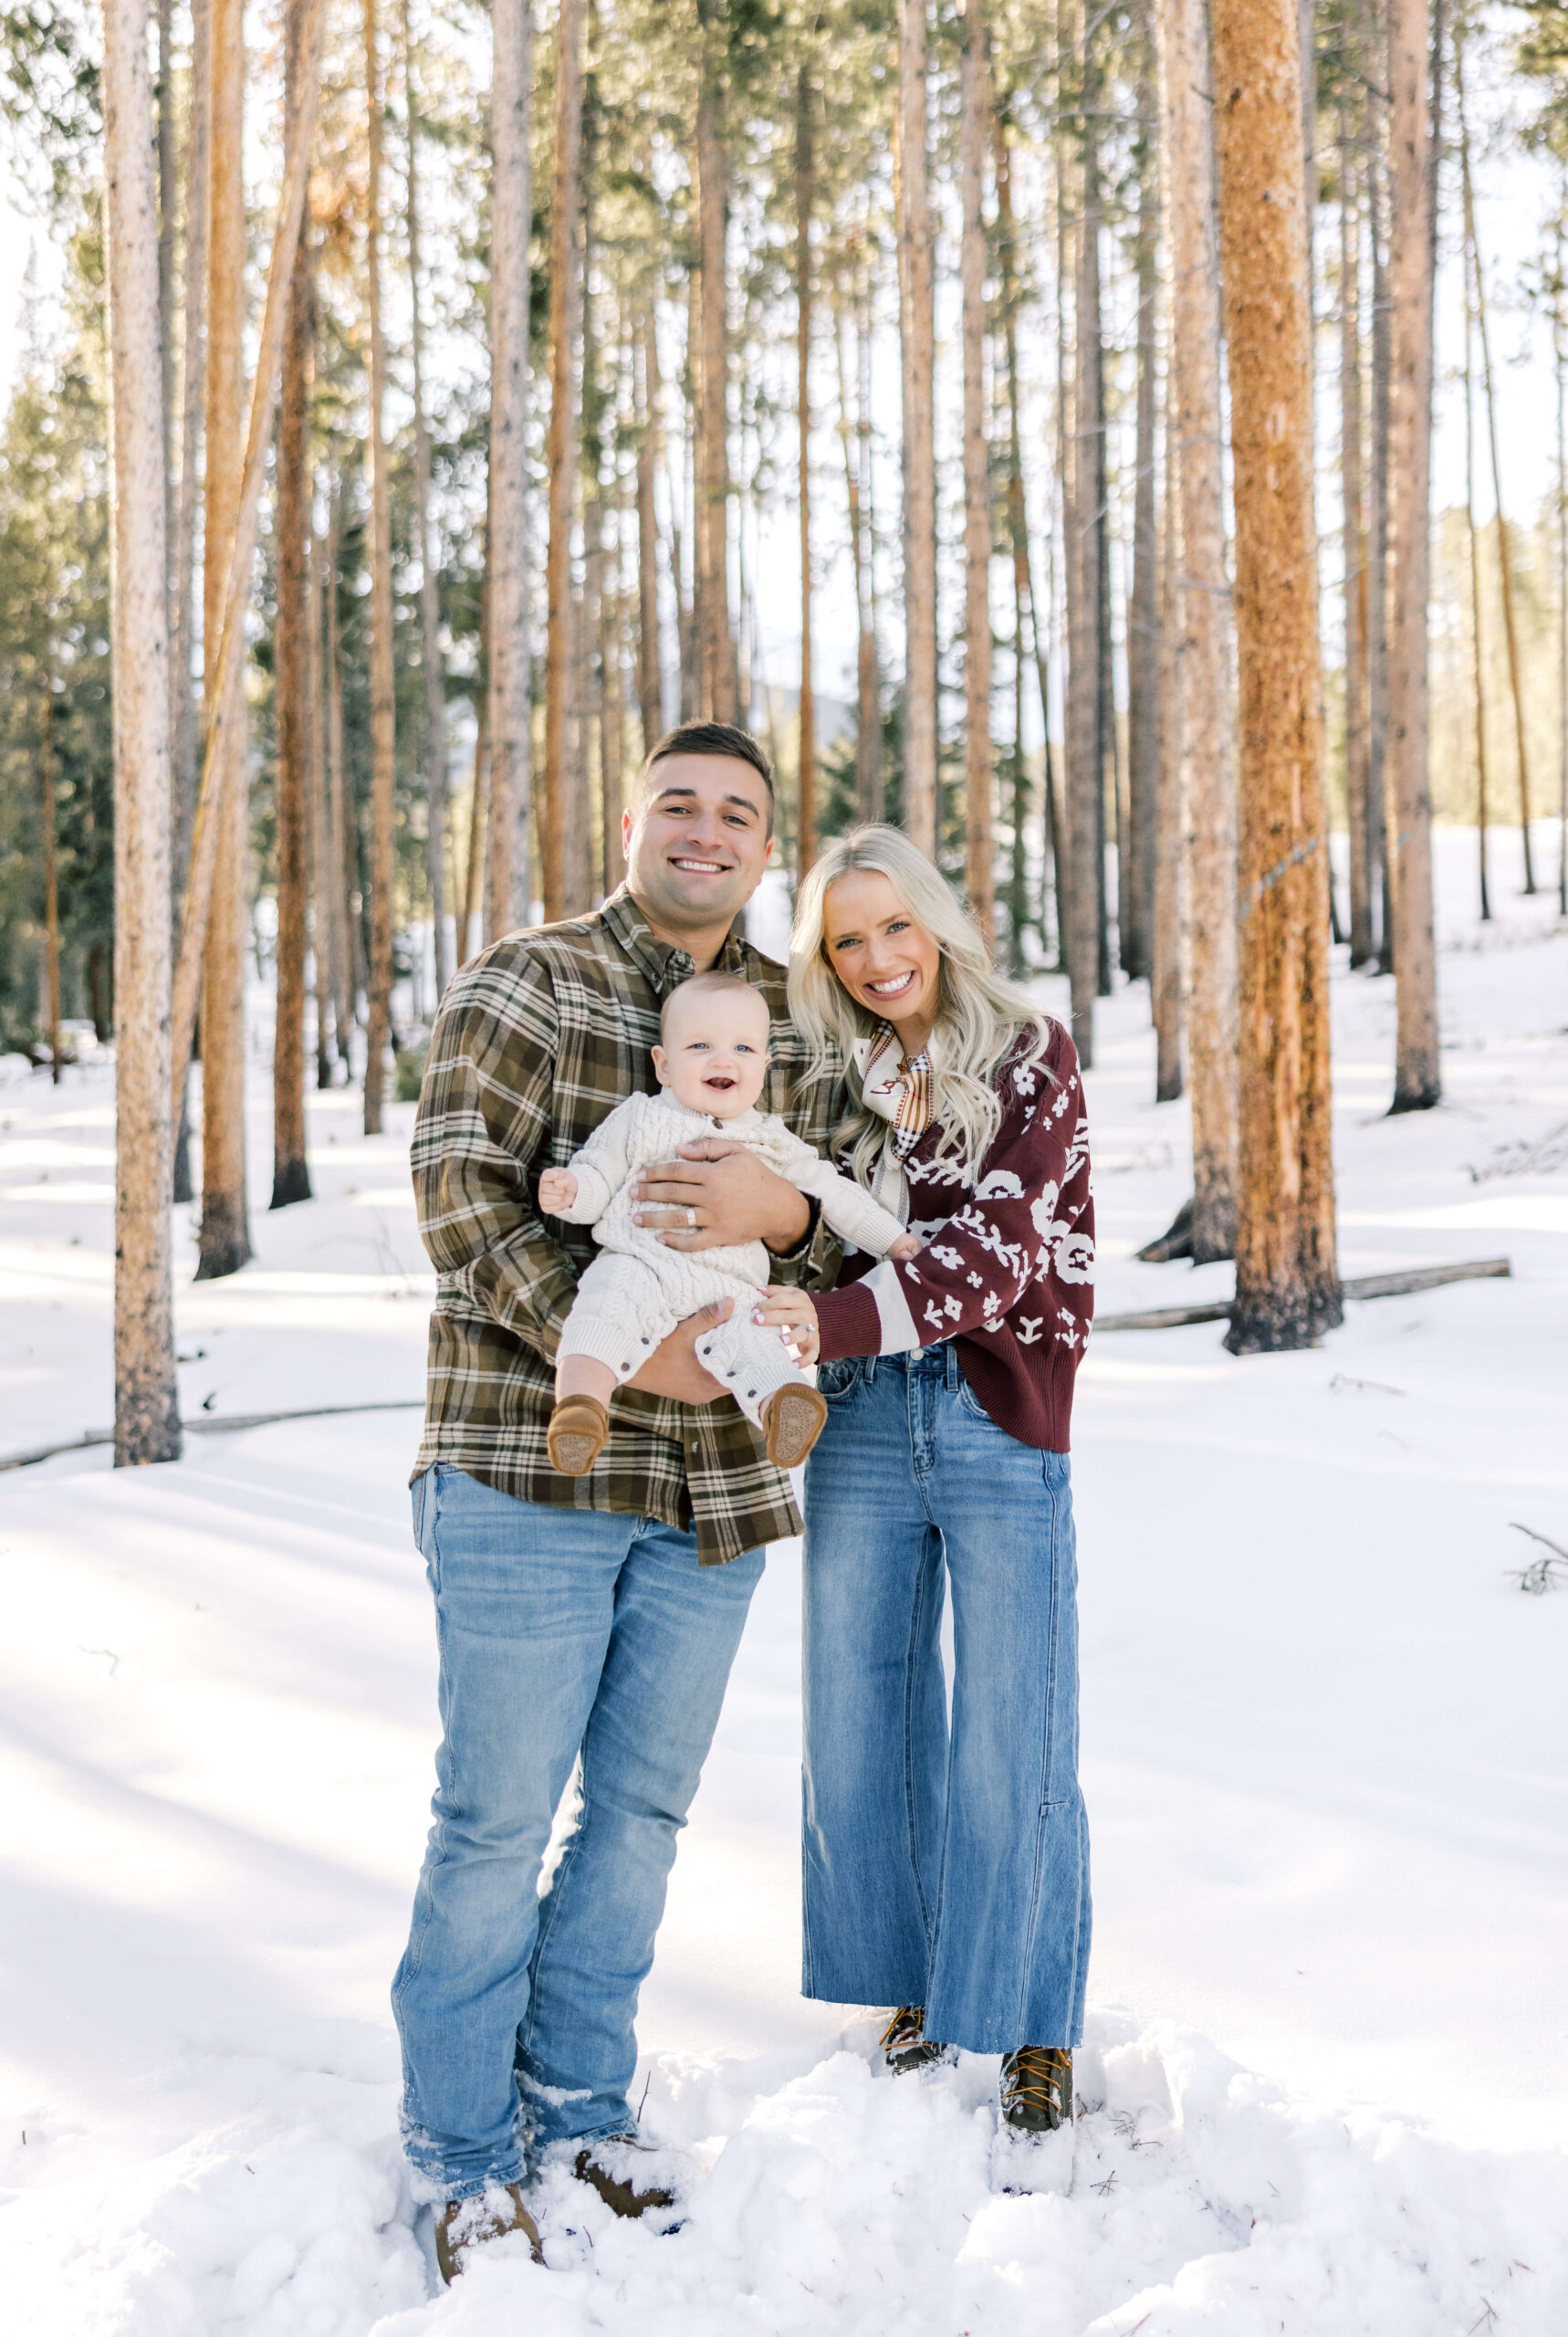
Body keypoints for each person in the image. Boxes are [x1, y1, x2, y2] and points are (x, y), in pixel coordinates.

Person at [396, 722, 843, 2283]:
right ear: (631, 814)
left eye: (738, 813)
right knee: (492, 1819)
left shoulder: (793, 1015)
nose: (706, 831)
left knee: (640, 1818)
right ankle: (458, 2151)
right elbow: (460, 1188)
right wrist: (642, 1356)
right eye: (679, 804)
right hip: (532, 1462)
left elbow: (845, 1225)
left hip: (714, 1490)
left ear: (763, 844)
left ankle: (580, 2103)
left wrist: (782, 1210)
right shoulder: (530, 976)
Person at [754, 824, 1095, 2143]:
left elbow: (997, 1257)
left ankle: (1030, 2018)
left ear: (939, 924)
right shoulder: (837, 1076)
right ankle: (908, 1986)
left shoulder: (1028, 1054)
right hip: (858, 1418)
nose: (878, 957)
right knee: (859, 1715)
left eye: (894, 927)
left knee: (1016, 1725)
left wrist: (818, 1323)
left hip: (996, 1411)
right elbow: (800, 1217)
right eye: (848, 940)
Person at [539, 968, 917, 1477]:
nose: (722, 1059)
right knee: (602, 1309)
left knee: (758, 1339)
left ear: (763, 1066)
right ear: (664, 1065)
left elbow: (837, 1196)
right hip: (642, 1264)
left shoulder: (771, 1140)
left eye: (742, 1049)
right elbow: (598, 1177)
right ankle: (581, 1408)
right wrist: (572, 1193)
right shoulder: (640, 1118)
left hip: (730, 1288)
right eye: (700, 1046)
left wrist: (892, 1240)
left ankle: (784, 1406)